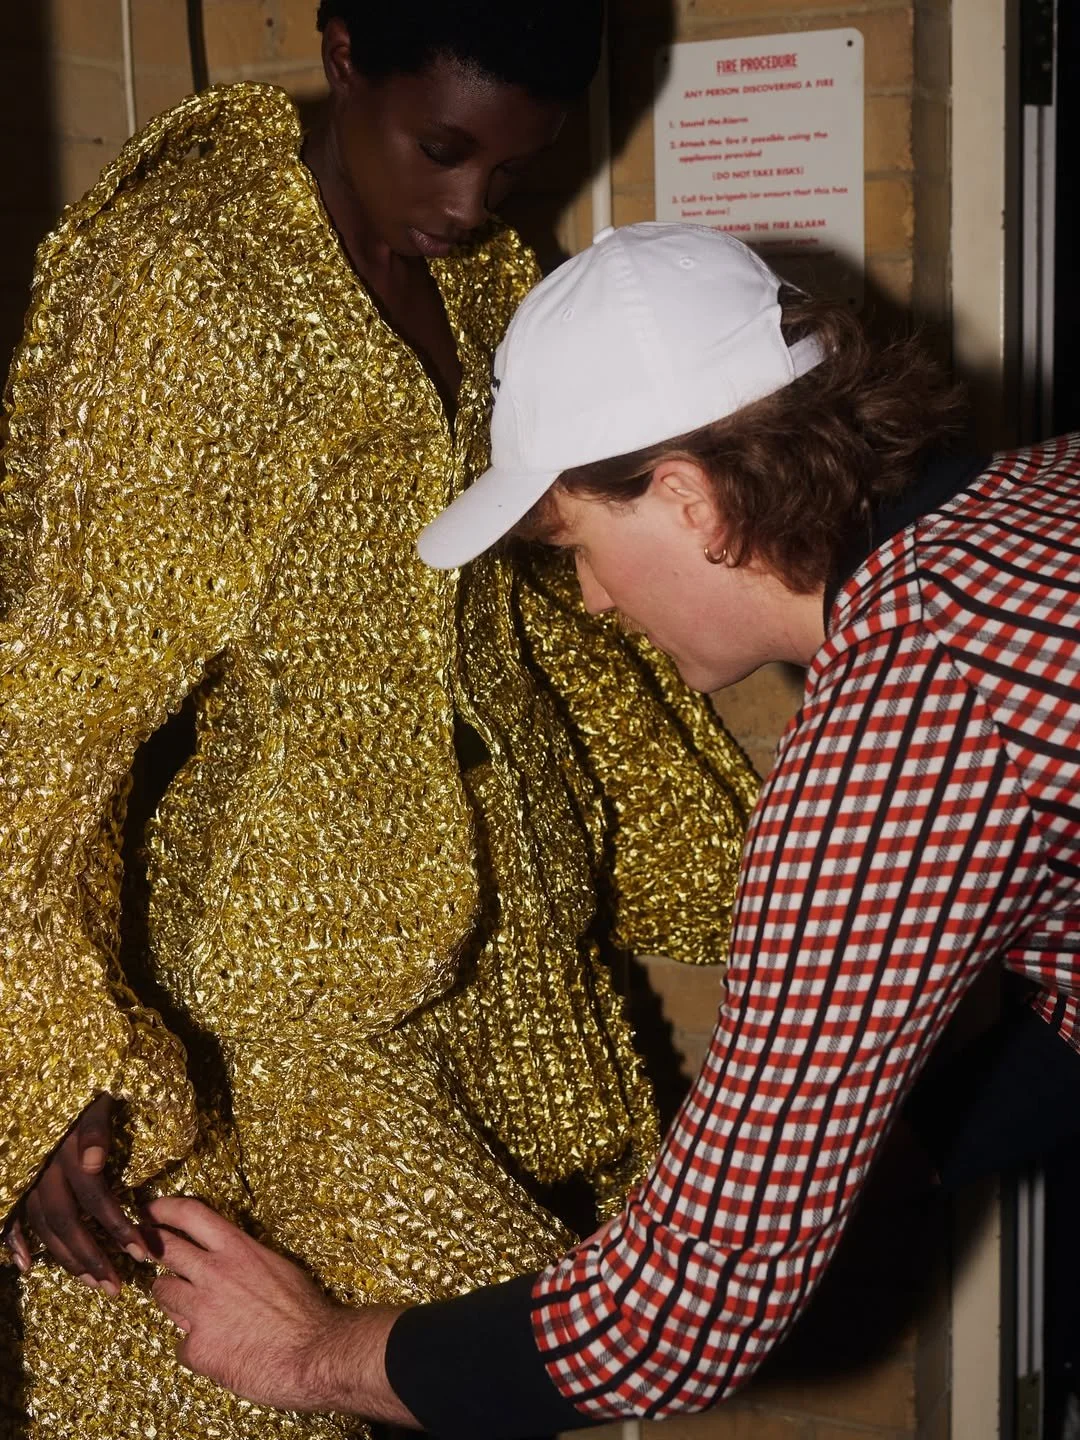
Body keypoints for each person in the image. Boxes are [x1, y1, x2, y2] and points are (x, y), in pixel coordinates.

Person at [146, 222, 1080, 1436]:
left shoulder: (914, 710)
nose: (590, 597)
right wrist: (892, 1149)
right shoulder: (1034, 493)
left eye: (580, 545)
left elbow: (678, 1321)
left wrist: (312, 1353)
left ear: (688, 499)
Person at [0, 4, 759, 1425]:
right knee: (531, 1377)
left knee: (490, 1372)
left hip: (505, 957)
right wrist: (37, 1070)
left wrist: (745, 868)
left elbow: (542, 617)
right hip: (282, 994)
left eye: (511, 177)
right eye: (441, 149)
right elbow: (57, 696)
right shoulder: (194, 285)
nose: (469, 208)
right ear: (348, 53)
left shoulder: (483, 289)